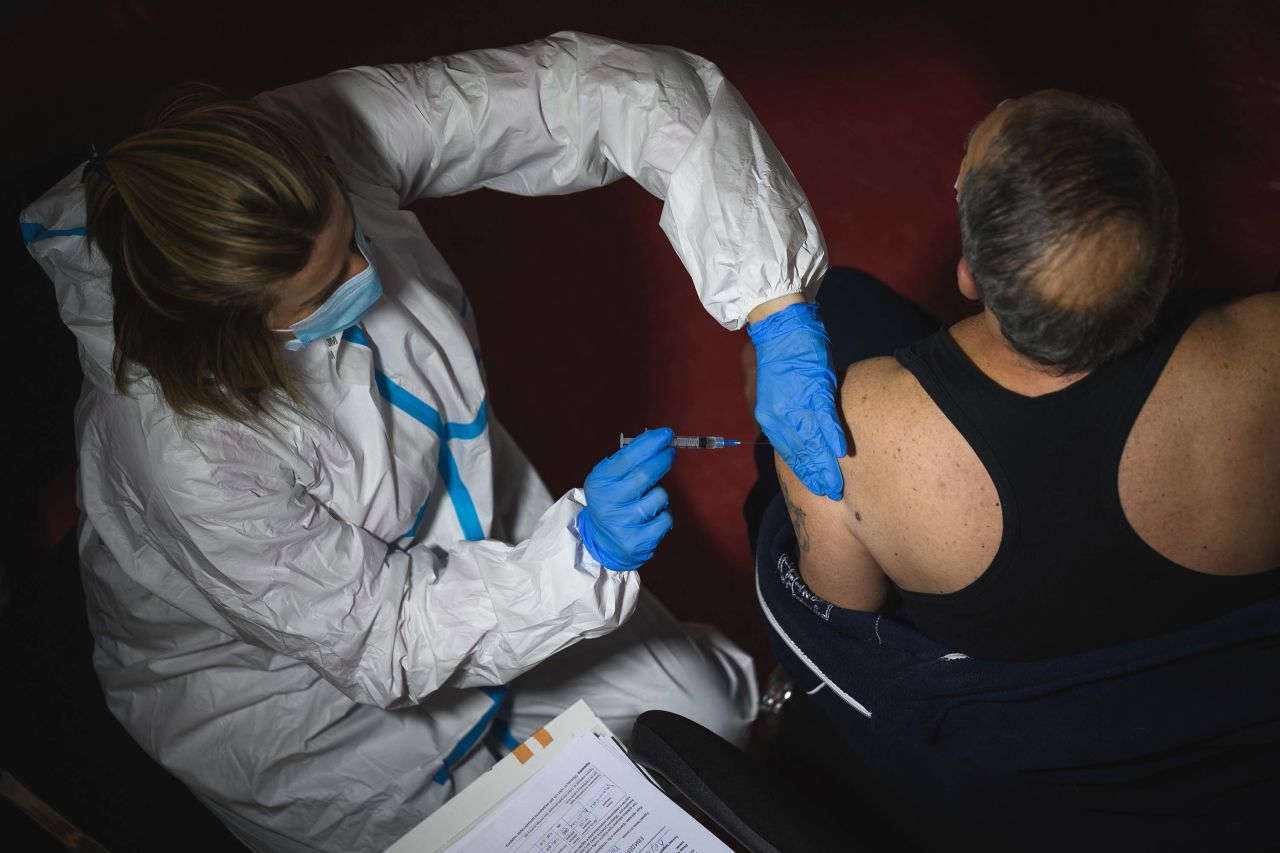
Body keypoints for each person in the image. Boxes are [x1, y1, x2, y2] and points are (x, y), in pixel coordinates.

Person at [20, 32, 846, 853]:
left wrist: (774, 307)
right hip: (305, 702)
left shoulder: (317, 133)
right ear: (224, 327)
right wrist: (583, 555)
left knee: (710, 719)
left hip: (477, 513)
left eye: (353, 238)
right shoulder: (180, 450)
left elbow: (612, 90)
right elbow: (390, 637)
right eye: (322, 287)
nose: (367, 279)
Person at [756, 91, 1280, 662]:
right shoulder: (1266, 345)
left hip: (1028, 738)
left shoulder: (844, 429)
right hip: (1228, 686)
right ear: (1168, 256)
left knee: (841, 300)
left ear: (969, 278)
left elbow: (840, 627)